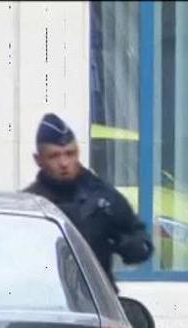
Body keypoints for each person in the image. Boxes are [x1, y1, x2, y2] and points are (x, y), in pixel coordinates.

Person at [24, 113, 153, 292]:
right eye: (54, 156)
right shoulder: (31, 204)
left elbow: (140, 243)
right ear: (38, 160)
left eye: (70, 154)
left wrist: (130, 244)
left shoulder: (102, 198)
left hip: (95, 303)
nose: (64, 163)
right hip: (45, 299)